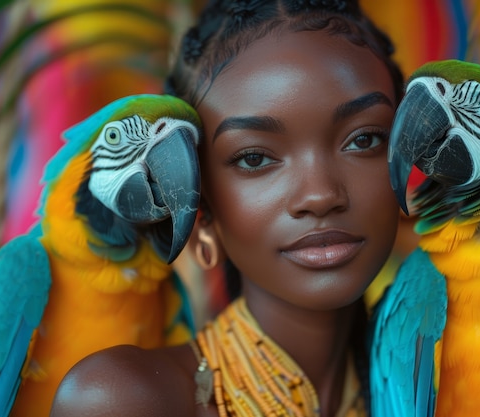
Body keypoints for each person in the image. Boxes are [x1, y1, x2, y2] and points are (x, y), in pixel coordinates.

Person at [50, 0, 404, 415]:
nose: (321, 195)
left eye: (364, 140)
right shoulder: (121, 400)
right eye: (254, 158)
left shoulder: (449, 384)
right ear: (202, 213)